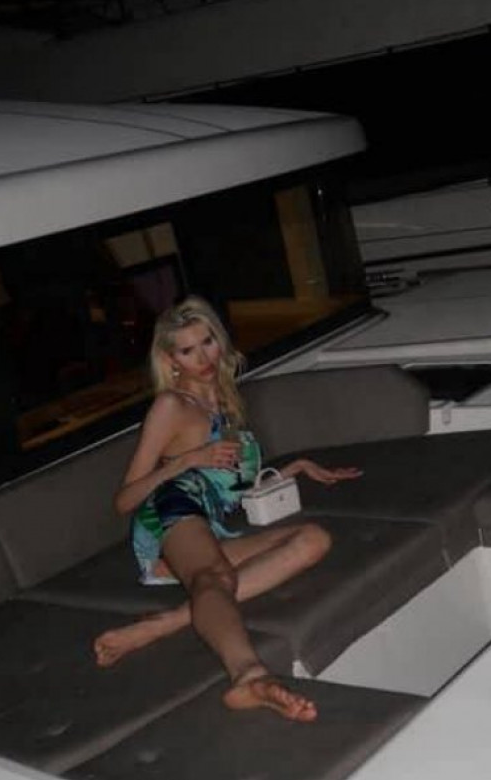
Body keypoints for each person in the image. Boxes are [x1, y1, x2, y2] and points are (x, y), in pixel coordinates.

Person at [93, 295, 361, 721]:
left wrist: (291, 469)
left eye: (208, 342)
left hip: (208, 522)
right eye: (187, 350)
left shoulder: (223, 396)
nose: (203, 358)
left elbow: (228, 484)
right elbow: (124, 501)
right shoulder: (171, 406)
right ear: (170, 359)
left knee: (313, 539)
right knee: (215, 576)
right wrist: (185, 460)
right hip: (170, 511)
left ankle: (165, 623)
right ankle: (248, 677)